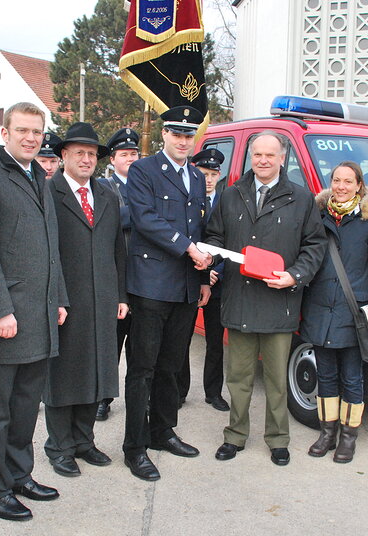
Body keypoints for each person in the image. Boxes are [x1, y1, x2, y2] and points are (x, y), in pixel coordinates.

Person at [0, 102, 68, 522]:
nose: (30, 137)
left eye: (37, 131)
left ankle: (19, 475)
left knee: (26, 404)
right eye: (22, 130)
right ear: (4, 133)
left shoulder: (40, 176)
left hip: (40, 314)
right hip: (7, 318)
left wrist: (59, 297)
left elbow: (50, 246)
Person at [205, 131, 326, 466]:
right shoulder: (231, 196)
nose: (262, 160)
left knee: (276, 381)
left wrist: (294, 275)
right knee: (239, 378)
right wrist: (210, 258)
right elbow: (215, 236)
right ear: (250, 157)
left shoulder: (301, 199)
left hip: (279, 303)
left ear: (282, 158)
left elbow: (315, 247)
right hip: (240, 301)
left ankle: (278, 440)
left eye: (269, 155)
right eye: (257, 154)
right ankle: (235, 436)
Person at [122, 105, 211, 481]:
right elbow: (145, 219)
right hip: (151, 285)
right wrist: (187, 248)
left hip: (187, 287)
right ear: (164, 135)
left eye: (189, 135)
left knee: (171, 366)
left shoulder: (195, 175)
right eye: (176, 133)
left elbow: (201, 227)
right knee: (142, 368)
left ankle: (162, 431)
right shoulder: (143, 171)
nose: (182, 140)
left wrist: (205, 278)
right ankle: (134, 446)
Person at [43, 122, 128, 477]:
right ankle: (59, 446)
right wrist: (56, 297)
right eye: (79, 152)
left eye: (92, 154)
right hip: (65, 301)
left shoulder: (107, 194)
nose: (86, 159)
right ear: (63, 156)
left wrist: (121, 294)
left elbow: (117, 249)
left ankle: (84, 440)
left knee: (96, 369)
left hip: (103, 298)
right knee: (64, 374)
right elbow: (46, 251)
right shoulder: (48, 193)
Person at [300, 161, 368, 463]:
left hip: (353, 312)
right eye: (336, 180)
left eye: (348, 182)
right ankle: (327, 432)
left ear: (358, 186)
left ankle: (348, 437)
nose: (341, 187)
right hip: (319, 308)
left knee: (352, 377)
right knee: (325, 374)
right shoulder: (318, 213)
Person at [177, 148, 229, 412]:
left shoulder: (227, 201)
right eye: (203, 173)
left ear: (219, 175)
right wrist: (201, 271)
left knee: (216, 342)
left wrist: (215, 269)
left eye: (213, 174)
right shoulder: (188, 200)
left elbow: (230, 241)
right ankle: (180, 391)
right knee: (182, 338)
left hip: (218, 280)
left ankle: (214, 392)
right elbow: (184, 238)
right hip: (192, 277)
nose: (208, 179)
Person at [95, 126, 140, 421]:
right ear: (112, 160)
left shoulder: (148, 185)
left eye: (134, 154)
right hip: (116, 277)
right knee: (111, 345)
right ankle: (103, 398)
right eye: (124, 155)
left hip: (145, 278)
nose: (131, 159)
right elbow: (109, 221)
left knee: (140, 348)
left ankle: (141, 398)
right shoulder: (104, 187)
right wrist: (144, 214)